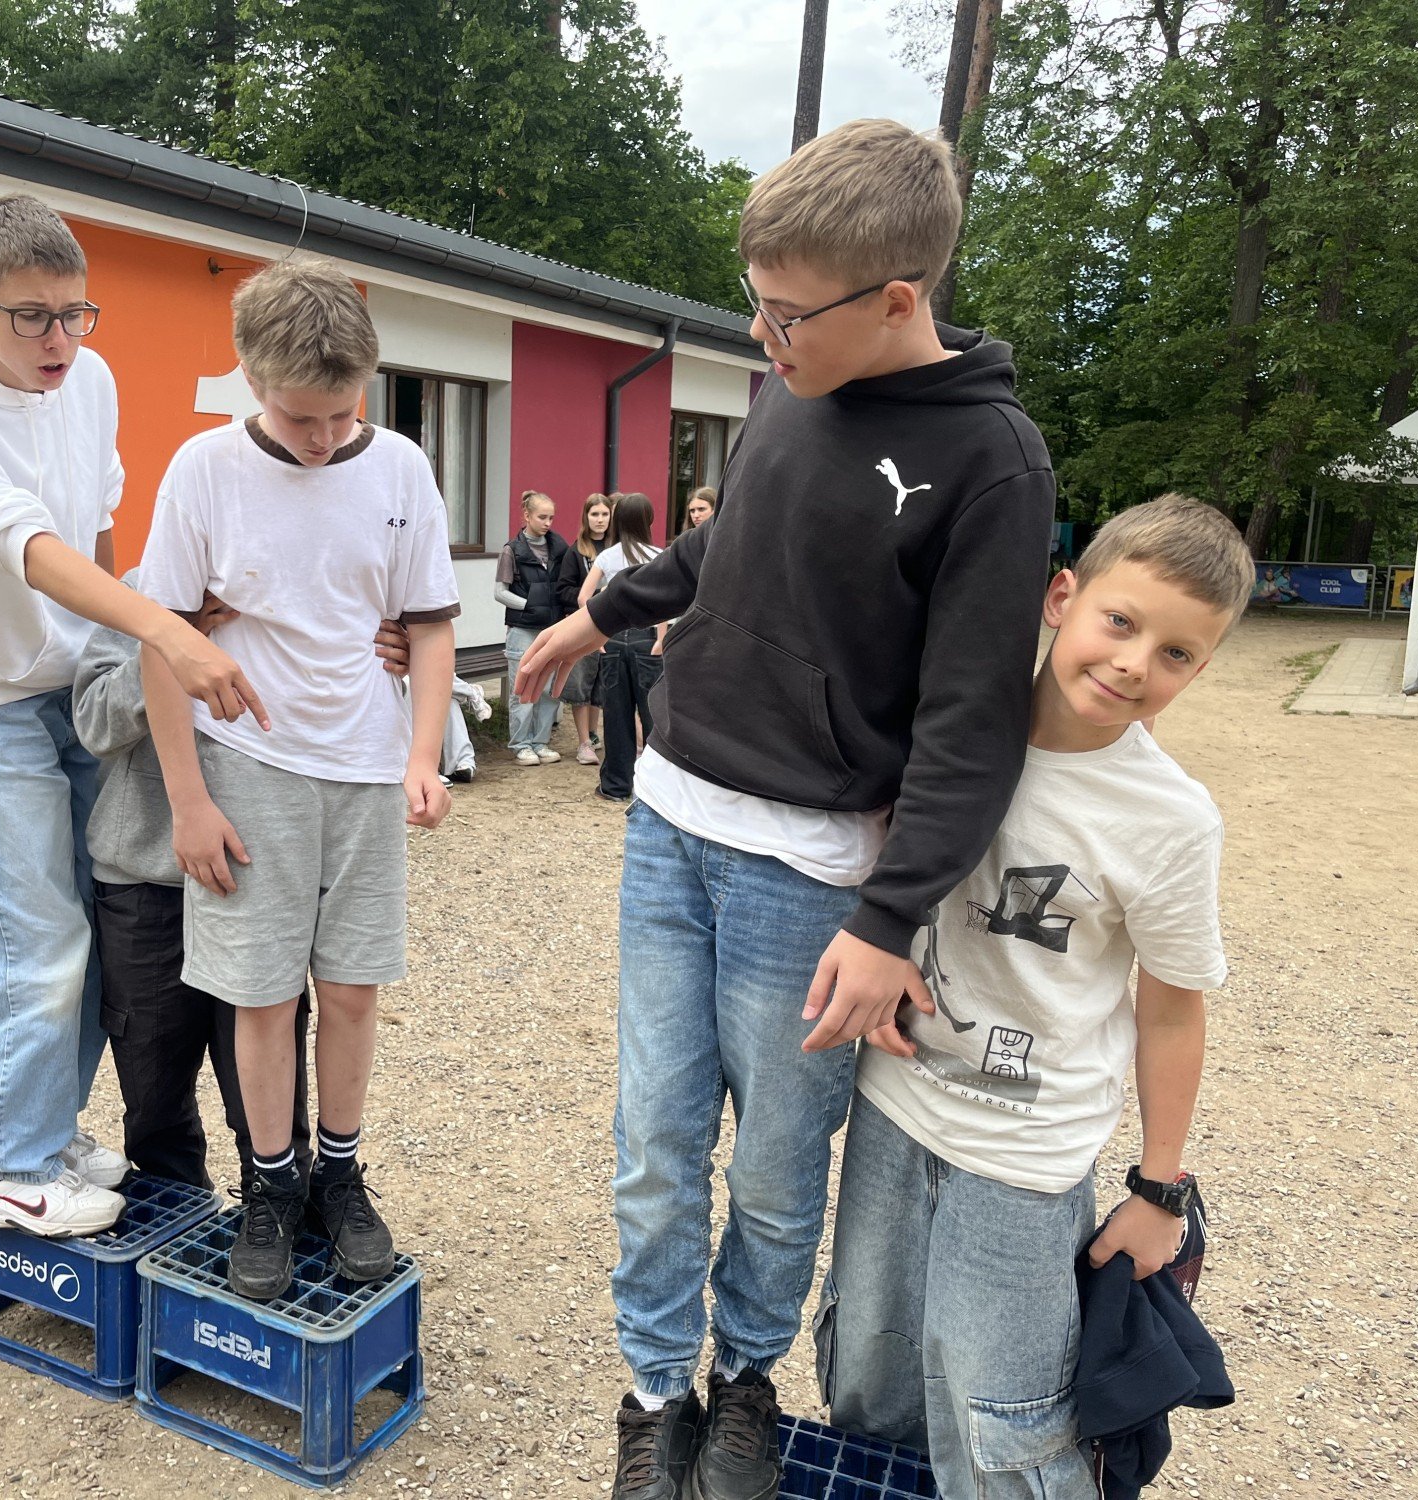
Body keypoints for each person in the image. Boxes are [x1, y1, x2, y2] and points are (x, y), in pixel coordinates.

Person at [514, 119, 1056, 1500]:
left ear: (896, 298)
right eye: (753, 303)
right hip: (670, 828)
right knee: (654, 1143)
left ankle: (745, 1383)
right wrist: (600, 614)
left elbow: (971, 723)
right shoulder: (792, 387)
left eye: (786, 313)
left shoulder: (992, 461)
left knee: (771, 1165)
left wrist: (887, 920)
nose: (763, 337)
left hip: (809, 874)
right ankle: (655, 1393)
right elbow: (727, 541)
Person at [818, 495, 1252, 1500]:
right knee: (869, 1381)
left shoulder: (1171, 820)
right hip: (891, 1106)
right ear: (1061, 597)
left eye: (1175, 654)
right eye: (1119, 621)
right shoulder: (945, 720)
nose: (1135, 663)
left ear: (1198, 672)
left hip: (1025, 1156)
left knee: (1002, 1425)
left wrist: (1158, 1191)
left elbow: (1172, 1009)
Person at [0, 194, 266, 1239]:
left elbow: (96, 524)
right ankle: (3, 1168)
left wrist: (122, 642)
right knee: (26, 938)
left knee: (97, 933)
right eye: (32, 318)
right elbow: (20, 541)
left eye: (74, 313)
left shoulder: (88, 377)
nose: (59, 339)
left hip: (73, 689)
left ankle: (44, 1130)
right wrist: (164, 631)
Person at [137, 257, 459, 1301]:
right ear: (249, 377)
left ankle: (340, 1173)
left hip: (363, 765)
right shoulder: (202, 469)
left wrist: (421, 753)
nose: (321, 438)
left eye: (340, 413)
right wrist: (188, 800)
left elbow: (428, 624)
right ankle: (270, 1185)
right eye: (298, 417)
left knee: (353, 988)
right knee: (262, 993)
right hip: (249, 763)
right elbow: (160, 643)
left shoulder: (401, 467)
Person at [73, 576, 413, 1191]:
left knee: (270, 1086)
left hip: (263, 876)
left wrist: (397, 662)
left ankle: (280, 1207)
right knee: (154, 1094)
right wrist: (173, 642)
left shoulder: (309, 582)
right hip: (148, 879)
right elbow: (93, 722)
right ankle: (174, 1216)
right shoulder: (142, 589)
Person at [577, 493, 663, 803]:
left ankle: (615, 786)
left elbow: (583, 598)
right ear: (648, 519)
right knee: (654, 715)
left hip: (612, 639)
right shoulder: (658, 556)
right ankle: (657, 789)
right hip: (646, 640)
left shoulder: (607, 557)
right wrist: (661, 638)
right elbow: (664, 603)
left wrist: (597, 635)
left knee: (616, 714)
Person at [495, 490, 570, 766]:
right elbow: (499, 592)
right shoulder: (511, 550)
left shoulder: (559, 548)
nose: (548, 523)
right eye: (542, 517)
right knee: (523, 687)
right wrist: (531, 605)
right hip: (522, 629)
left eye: (551, 517)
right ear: (527, 515)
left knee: (548, 688)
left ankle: (540, 742)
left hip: (552, 629)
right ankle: (521, 745)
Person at [558, 493, 614, 764]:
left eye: (604, 514)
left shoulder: (617, 548)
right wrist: (593, 597)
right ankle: (582, 743)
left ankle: (593, 734)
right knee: (580, 685)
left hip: (612, 627)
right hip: (583, 626)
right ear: (586, 517)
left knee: (599, 687)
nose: (600, 520)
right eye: (595, 514)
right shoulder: (576, 551)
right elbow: (564, 590)